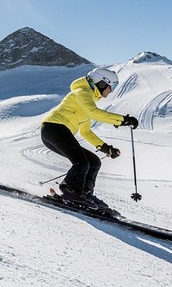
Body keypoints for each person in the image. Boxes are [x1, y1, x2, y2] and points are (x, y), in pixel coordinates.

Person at [40, 67, 138, 211]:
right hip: (53, 128)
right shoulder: (82, 92)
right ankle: (71, 191)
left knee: (94, 161)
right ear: (102, 83)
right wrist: (122, 120)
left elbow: (85, 132)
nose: (111, 91)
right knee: (81, 162)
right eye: (112, 86)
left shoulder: (88, 99)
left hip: (57, 132)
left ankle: (84, 193)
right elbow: (94, 113)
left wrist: (106, 148)